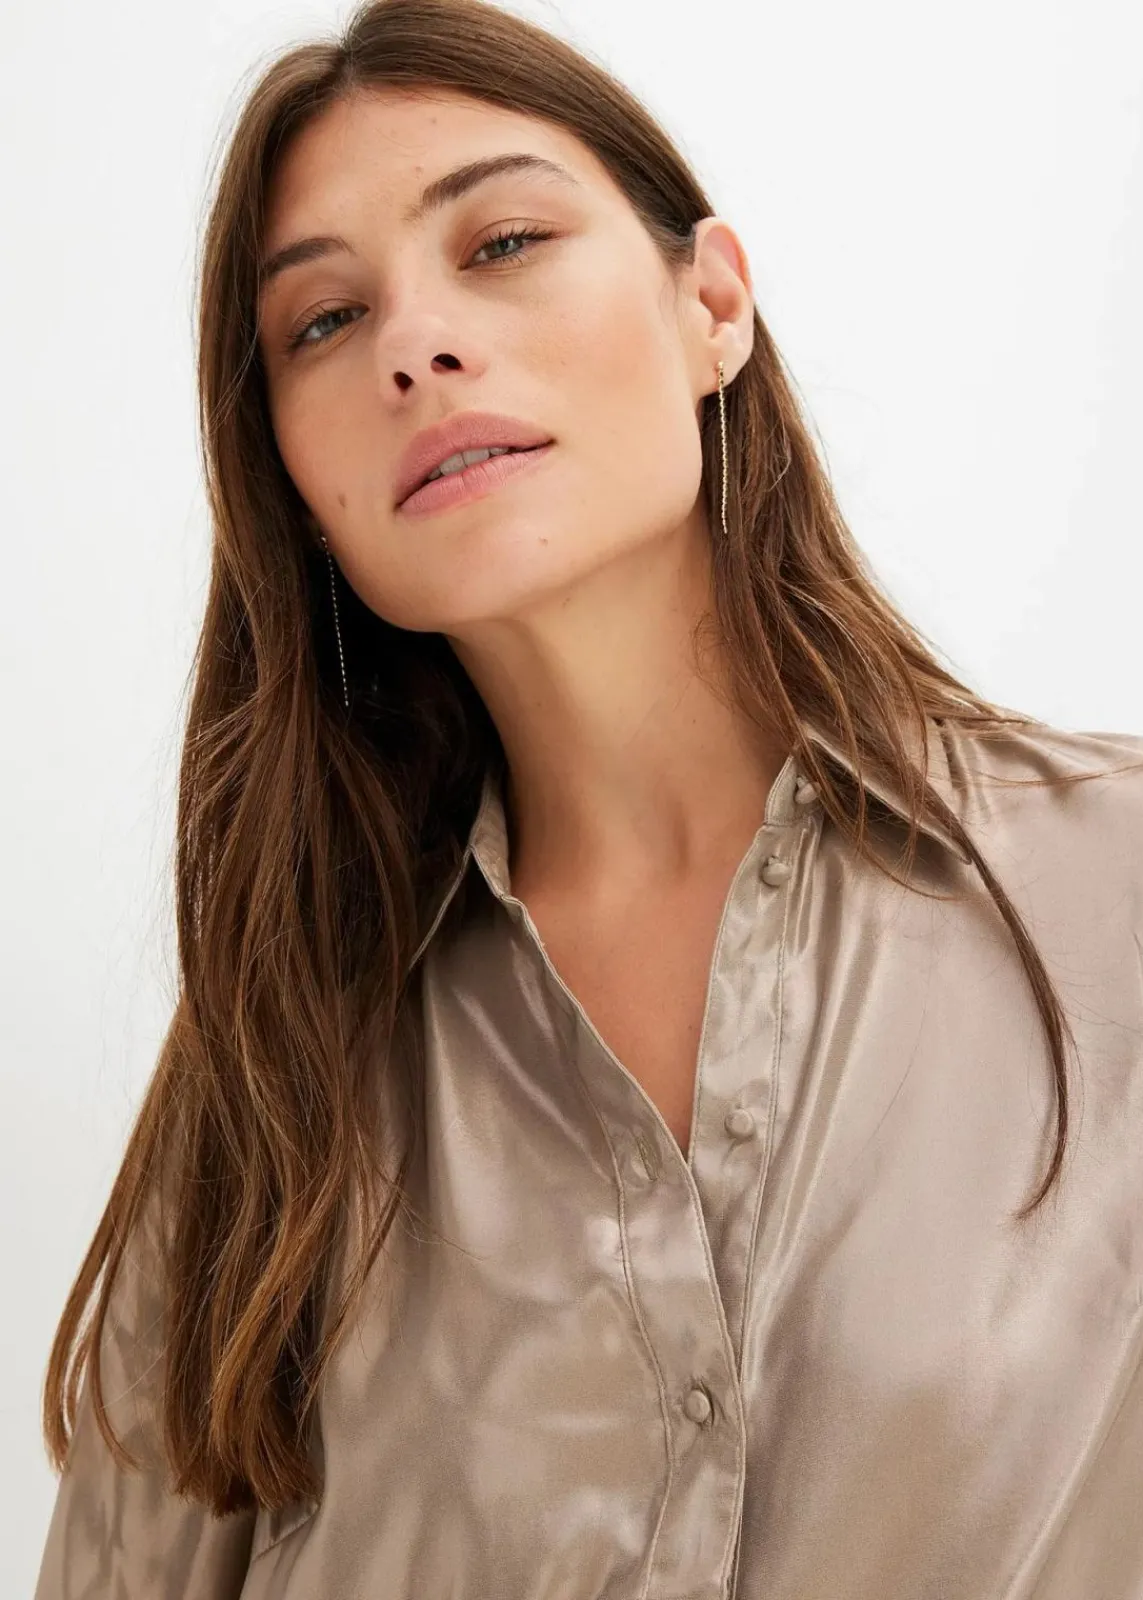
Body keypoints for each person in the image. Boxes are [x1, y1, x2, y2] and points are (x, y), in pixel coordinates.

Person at [34, 0, 1143, 1595]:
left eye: (500, 242)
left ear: (713, 305)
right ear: (295, 480)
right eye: (324, 322)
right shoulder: (273, 1078)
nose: (415, 343)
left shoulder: (1110, 892)